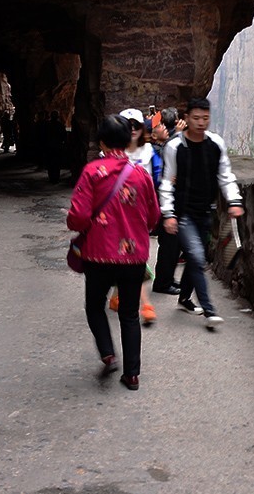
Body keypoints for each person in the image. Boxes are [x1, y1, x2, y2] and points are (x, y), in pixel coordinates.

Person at [67, 115, 160, 390]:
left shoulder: (92, 172)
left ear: (102, 142)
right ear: (128, 140)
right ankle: (132, 374)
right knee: (130, 314)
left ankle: (108, 353)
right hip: (134, 257)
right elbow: (153, 216)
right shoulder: (141, 174)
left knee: (95, 306)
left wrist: (79, 225)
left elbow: (79, 216)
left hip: (98, 255)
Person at [159, 97, 243, 330]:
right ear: (186, 119)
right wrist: (168, 214)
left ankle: (185, 298)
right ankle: (209, 309)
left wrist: (234, 200)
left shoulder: (215, 144)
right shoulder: (175, 147)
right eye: (196, 118)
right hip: (183, 212)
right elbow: (166, 182)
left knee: (197, 258)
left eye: (205, 118)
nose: (200, 123)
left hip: (205, 212)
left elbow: (225, 176)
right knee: (196, 257)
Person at [109, 108, 160, 325]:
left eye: (136, 125)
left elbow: (157, 179)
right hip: (117, 216)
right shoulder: (111, 154)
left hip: (138, 217)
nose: (132, 130)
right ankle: (146, 305)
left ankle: (115, 297)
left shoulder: (149, 152)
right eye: (127, 125)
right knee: (132, 260)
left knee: (128, 260)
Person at [150, 107, 185, 296]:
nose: (163, 128)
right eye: (160, 125)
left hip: (172, 201)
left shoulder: (165, 144)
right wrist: (177, 137)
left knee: (173, 245)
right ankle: (163, 282)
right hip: (164, 202)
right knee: (169, 245)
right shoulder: (155, 148)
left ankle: (168, 279)